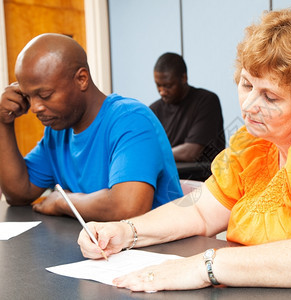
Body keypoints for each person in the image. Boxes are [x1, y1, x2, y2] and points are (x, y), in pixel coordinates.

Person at [78, 8, 291, 292]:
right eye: (246, 85)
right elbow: (199, 210)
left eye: (270, 97)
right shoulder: (257, 141)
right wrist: (127, 231)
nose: (249, 107)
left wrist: (208, 265)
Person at [0, 33, 182, 222]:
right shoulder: (57, 132)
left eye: (45, 95)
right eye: (28, 97)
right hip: (101, 245)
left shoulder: (131, 120)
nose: (35, 108)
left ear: (82, 79)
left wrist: (64, 202)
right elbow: (19, 193)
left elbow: (128, 207)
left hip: (158, 249)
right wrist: (4, 122)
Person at [150, 52, 225, 163]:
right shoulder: (153, 110)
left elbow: (191, 152)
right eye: (158, 85)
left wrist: (157, 154)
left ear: (184, 78)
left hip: (201, 177)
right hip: (168, 177)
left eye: (168, 86)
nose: (162, 92)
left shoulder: (206, 101)